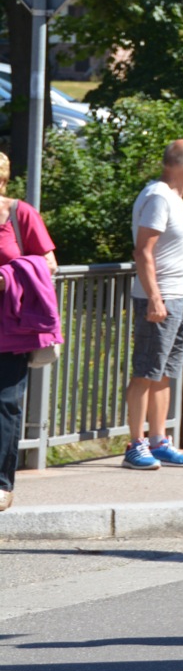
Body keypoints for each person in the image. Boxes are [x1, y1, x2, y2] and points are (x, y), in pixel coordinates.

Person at [125, 139, 183, 471]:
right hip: (160, 299)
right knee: (146, 372)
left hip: (178, 297)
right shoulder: (159, 197)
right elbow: (143, 250)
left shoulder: (173, 198)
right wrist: (155, 298)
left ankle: (159, 441)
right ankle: (135, 444)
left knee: (164, 374)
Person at [0, 152, 57, 513]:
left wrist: (7, 277)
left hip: (11, 329)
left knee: (5, 403)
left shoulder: (20, 214)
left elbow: (48, 264)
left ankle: (1, 483)